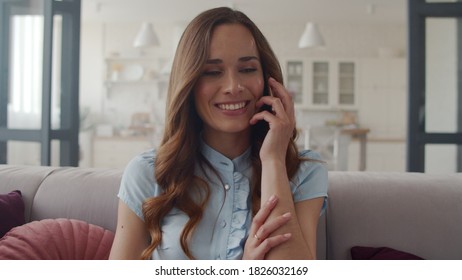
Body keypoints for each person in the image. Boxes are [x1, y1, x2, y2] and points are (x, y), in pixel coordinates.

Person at [109, 7, 328, 260]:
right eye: (212, 72)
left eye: (247, 69)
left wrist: (273, 160)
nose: (233, 87)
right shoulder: (147, 173)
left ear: (268, 80)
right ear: (188, 83)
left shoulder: (304, 173)